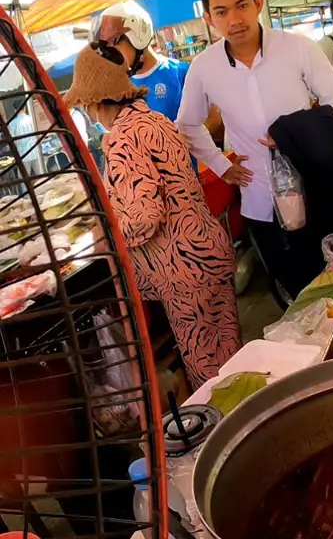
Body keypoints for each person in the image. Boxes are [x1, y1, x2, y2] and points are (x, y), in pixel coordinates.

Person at [64, 44, 241, 390]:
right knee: (233, 363)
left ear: (95, 102)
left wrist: (108, 236)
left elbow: (145, 216)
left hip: (183, 274)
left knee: (211, 378)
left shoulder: (123, 140)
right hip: (208, 255)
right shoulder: (153, 120)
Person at [176, 0, 333, 299]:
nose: (234, 19)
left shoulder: (297, 48)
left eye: (241, 5)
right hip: (259, 195)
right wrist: (220, 164)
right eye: (221, 11)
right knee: (294, 289)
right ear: (209, 19)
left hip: (316, 184)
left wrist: (296, 131)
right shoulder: (204, 68)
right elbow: (186, 124)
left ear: (258, 3)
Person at [92, 1, 222, 175]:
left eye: (114, 44)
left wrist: (178, 142)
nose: (110, 54)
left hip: (185, 185)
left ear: (137, 36)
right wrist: (109, 141)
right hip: (144, 192)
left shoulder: (181, 73)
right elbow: (115, 131)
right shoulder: (114, 88)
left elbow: (214, 120)